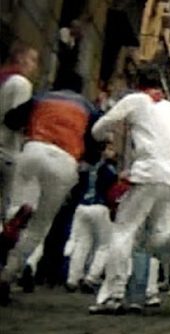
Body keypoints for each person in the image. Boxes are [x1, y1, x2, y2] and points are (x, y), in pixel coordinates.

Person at [87, 66, 170, 314]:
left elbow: (101, 126)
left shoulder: (135, 100)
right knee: (155, 238)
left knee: (124, 231)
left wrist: (104, 137)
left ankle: (112, 296)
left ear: (137, 83)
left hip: (148, 175)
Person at [0, 73, 99, 304]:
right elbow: (95, 146)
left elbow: (12, 119)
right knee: (39, 227)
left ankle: (18, 216)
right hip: (65, 161)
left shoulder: (41, 98)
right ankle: (6, 277)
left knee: (15, 204)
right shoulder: (89, 109)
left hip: (34, 150)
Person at [65, 142, 118, 294]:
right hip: (100, 207)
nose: (113, 153)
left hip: (82, 207)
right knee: (104, 245)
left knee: (82, 243)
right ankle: (92, 277)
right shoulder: (109, 169)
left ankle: (72, 278)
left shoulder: (84, 167)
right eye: (110, 149)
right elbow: (112, 192)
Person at [0, 44, 38, 219]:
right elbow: (16, 118)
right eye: (33, 60)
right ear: (21, 59)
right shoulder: (20, 83)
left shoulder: (5, 79)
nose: (35, 66)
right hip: (7, 149)